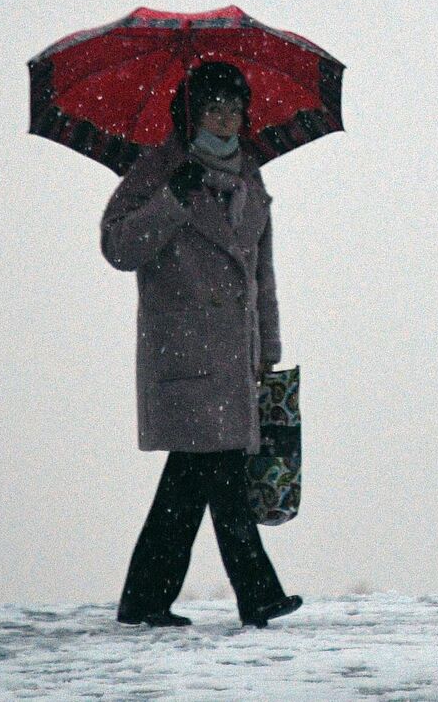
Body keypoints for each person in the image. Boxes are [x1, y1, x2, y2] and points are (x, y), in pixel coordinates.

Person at [100, 60, 305, 629]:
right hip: (184, 357)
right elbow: (118, 246)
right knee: (221, 479)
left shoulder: (250, 177)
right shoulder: (160, 171)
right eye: (216, 106)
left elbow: (260, 271)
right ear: (191, 113)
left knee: (187, 489)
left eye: (236, 107)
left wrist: (268, 345)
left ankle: (145, 599)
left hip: (233, 358)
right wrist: (171, 201)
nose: (228, 117)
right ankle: (258, 593)